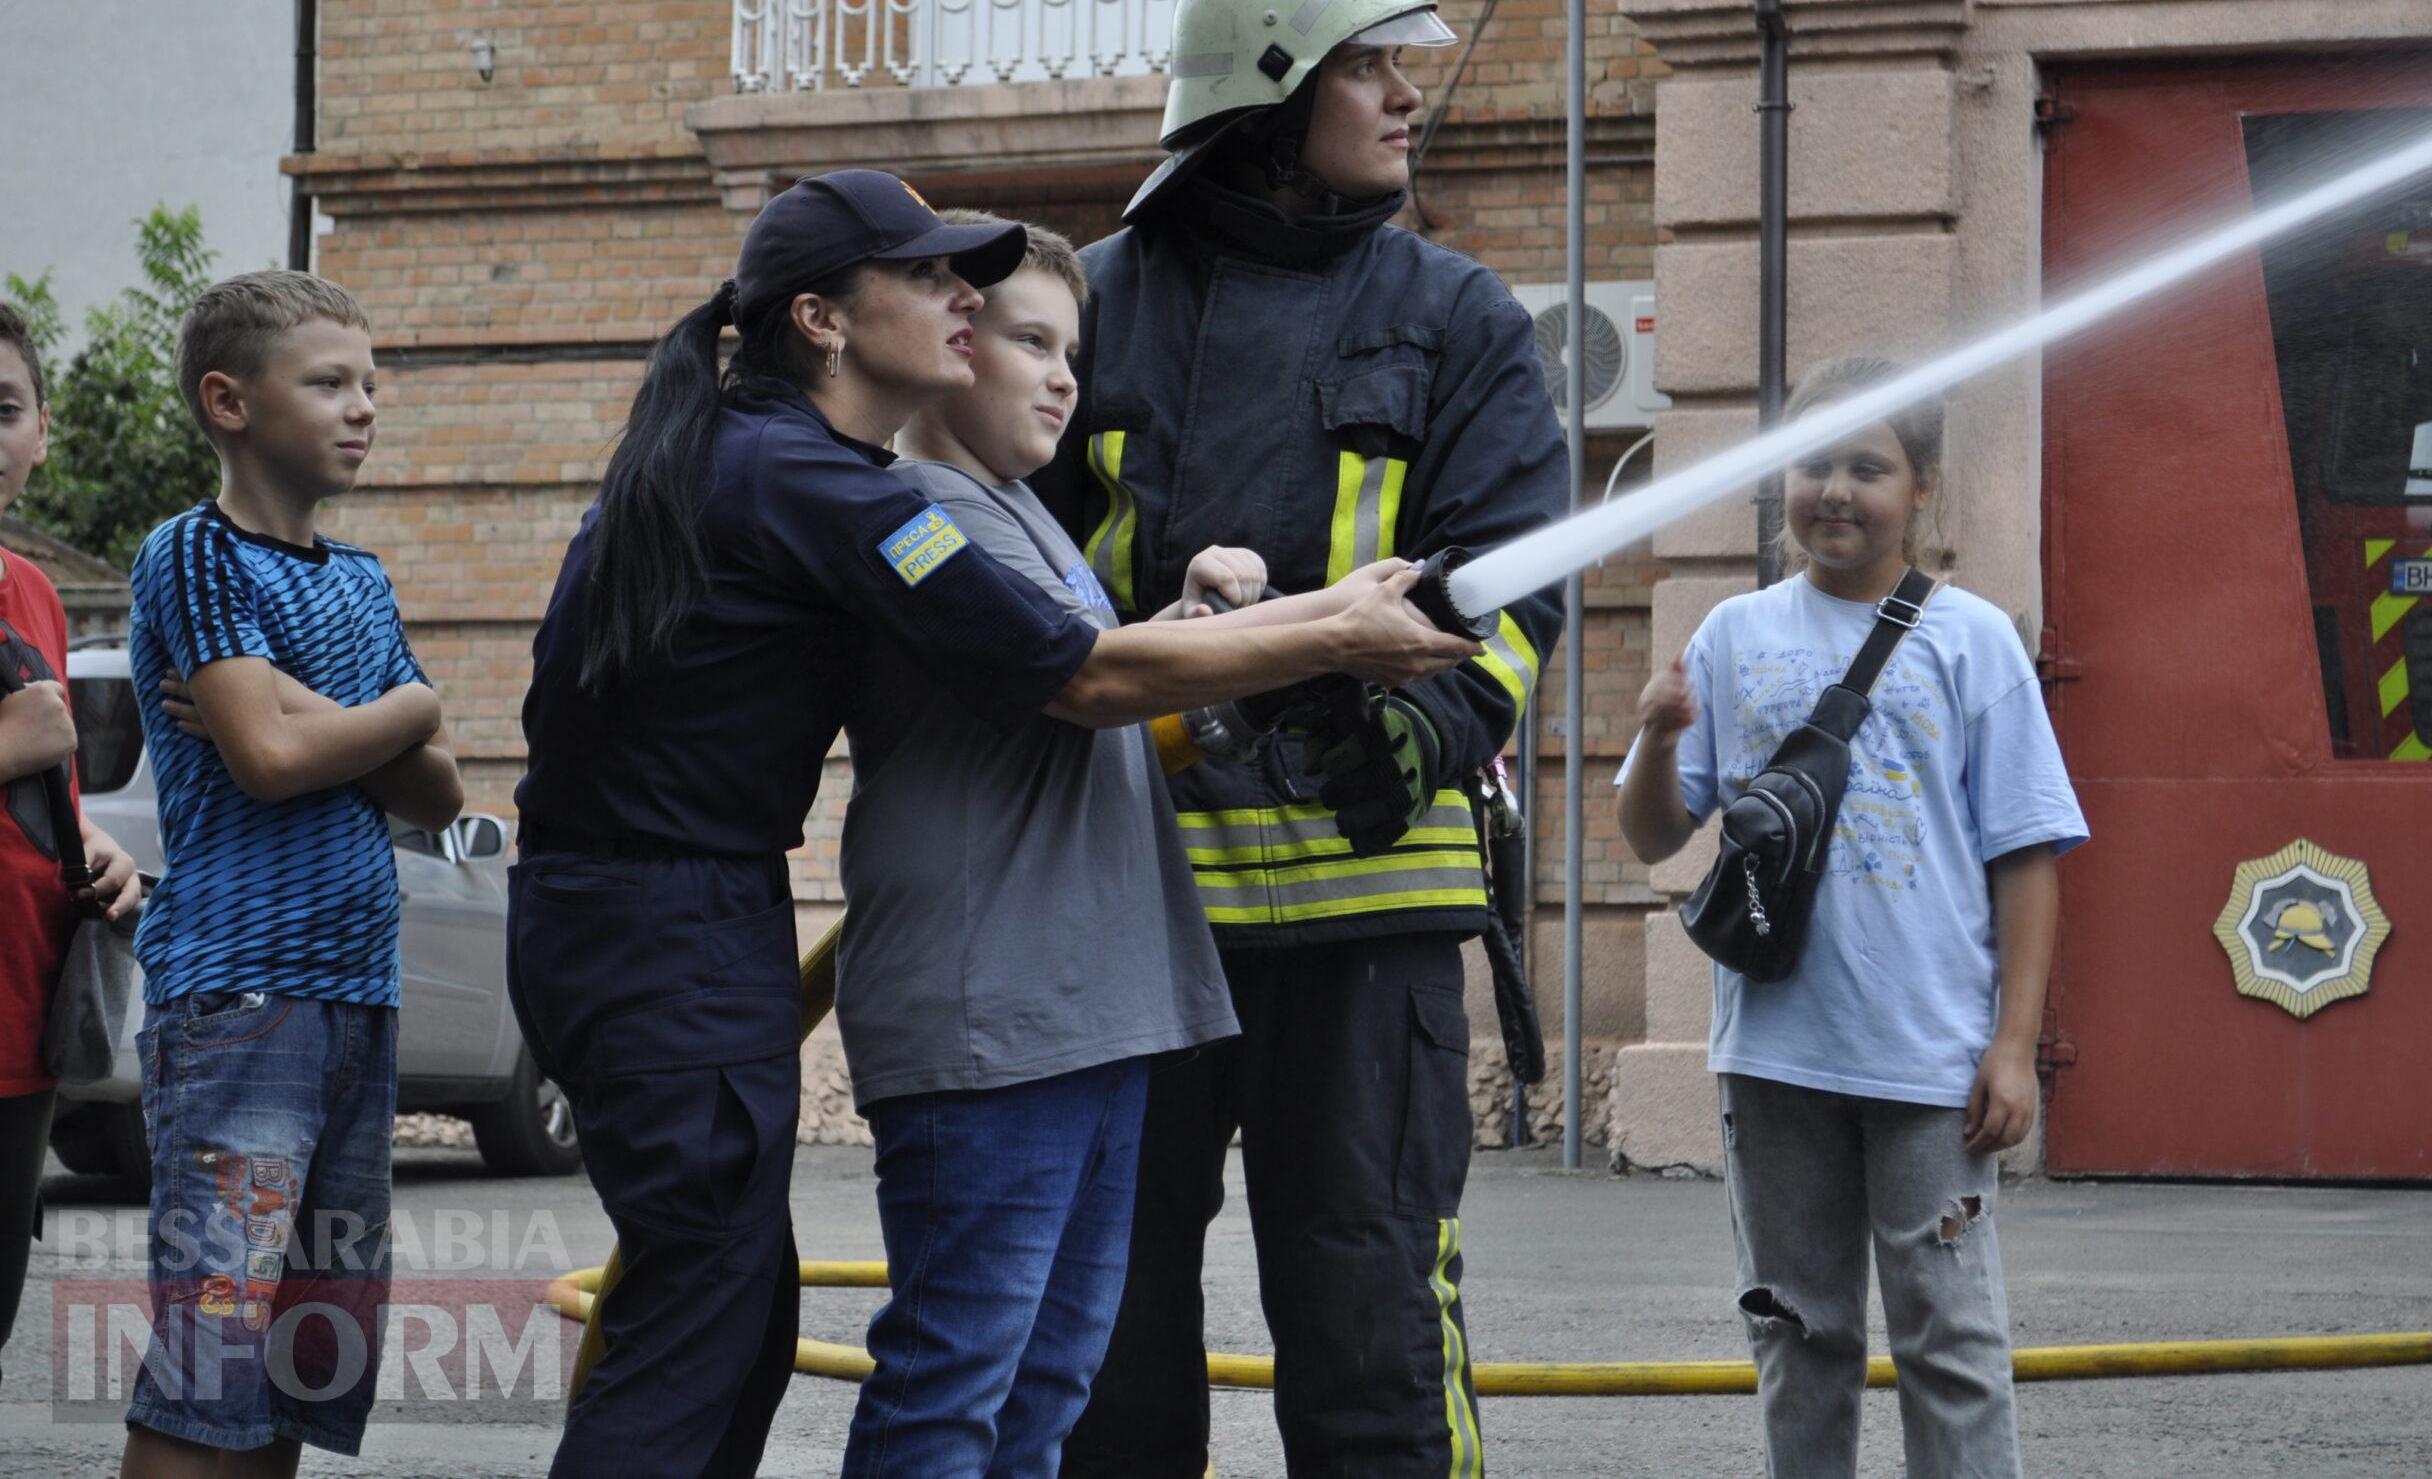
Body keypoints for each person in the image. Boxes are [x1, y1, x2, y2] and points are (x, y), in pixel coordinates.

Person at [509, 171, 1478, 1479]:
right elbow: (1079, 679)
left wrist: (1273, 626)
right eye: (925, 280)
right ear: (823, 321)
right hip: (660, 924)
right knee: (712, 1320)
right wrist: (1331, 630)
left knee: (738, 1314)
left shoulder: (782, 462)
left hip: (675, 914)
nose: (960, 299)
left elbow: (1080, 656)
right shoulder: (830, 487)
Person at [1039, 0, 1569, 1478]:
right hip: (1130, 913)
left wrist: (1403, 734)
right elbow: (1011, 581)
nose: (1410, 95)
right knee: (1112, 1350)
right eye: (1369, 63)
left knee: (1372, 1334)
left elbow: (1516, 594)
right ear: (1271, 96)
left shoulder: (1456, 317)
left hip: (1369, 909)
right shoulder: (1088, 309)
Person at [837, 210, 1400, 1477]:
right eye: (1026, 340)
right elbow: (1085, 687)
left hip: (1090, 1012)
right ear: (951, 345)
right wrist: (1324, 630)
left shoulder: (1017, 515)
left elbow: (1109, 730)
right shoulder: (919, 513)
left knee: (1045, 1391)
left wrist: (1204, 637)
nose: (1060, 377)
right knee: (957, 1384)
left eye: (1070, 353)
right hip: (996, 1019)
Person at [1613, 357, 2088, 1479]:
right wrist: (1659, 732)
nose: (1835, 488)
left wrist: (2012, 1047)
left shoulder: (1972, 639)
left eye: (1866, 467)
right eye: (1812, 463)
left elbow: (2025, 857)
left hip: (1931, 1059)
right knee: (1797, 1332)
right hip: (1774, 1055)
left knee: (1951, 1339)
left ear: (1919, 487)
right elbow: (1647, 836)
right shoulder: (1731, 632)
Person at [119, 271, 466, 1477]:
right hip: (239, 1003)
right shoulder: (196, 552)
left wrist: (340, 715)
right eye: (328, 381)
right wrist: (406, 707)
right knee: (208, 1359)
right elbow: (268, 760)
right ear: (229, 400)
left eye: (370, 382)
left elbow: (442, 793)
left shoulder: (359, 579)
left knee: (293, 1365)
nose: (363, 405)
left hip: (355, 1001)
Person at [0, 301, 144, 1387]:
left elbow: (46, 791)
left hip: (24, 1014)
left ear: (42, 430)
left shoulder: (34, 590)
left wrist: (97, 845)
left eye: (4, 409)